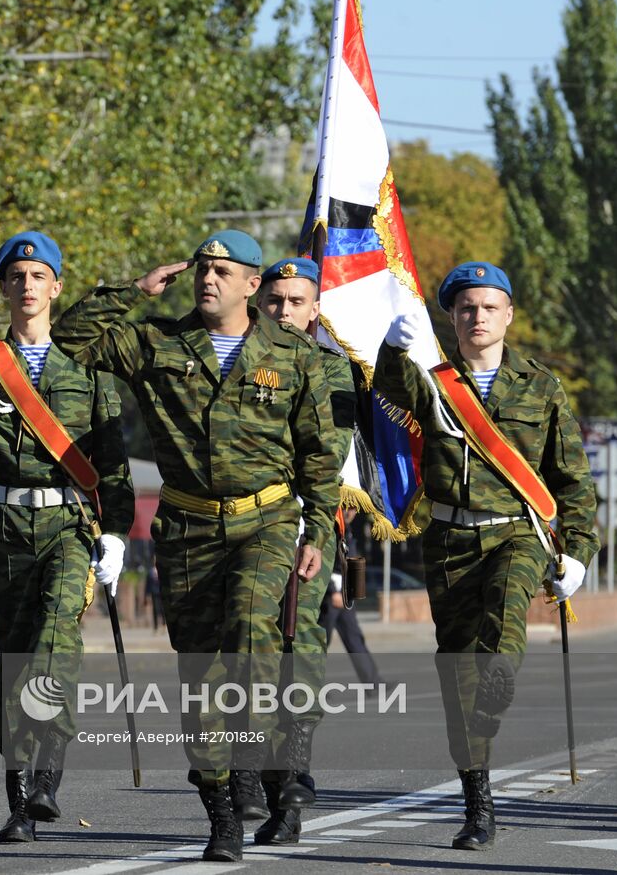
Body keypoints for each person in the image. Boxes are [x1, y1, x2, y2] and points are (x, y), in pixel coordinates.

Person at [50, 231, 340, 862]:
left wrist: (317, 530)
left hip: (265, 522)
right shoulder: (157, 341)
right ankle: (224, 809)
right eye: (203, 269)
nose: (207, 279)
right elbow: (70, 341)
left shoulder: (297, 357)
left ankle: (254, 765)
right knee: (201, 676)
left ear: (251, 285)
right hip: (187, 531)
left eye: (222, 270)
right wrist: (131, 291)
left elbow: (321, 456)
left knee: (252, 634)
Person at [375, 261, 598, 850]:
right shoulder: (433, 380)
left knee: (504, 619)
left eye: (489, 307)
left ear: (509, 315)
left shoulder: (541, 385)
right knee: (457, 674)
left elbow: (572, 479)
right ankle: (478, 804)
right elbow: (389, 397)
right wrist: (393, 351)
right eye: (466, 308)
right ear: (451, 316)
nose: (478, 317)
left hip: (516, 535)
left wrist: (577, 551)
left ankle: (497, 687)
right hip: (448, 541)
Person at [0, 231, 134, 843]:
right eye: (16, 277)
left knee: (53, 639)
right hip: (11, 526)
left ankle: (48, 777)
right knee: (15, 657)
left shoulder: (88, 370)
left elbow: (113, 462)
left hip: (69, 524)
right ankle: (19, 798)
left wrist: (116, 535)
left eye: (38, 276)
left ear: (56, 287)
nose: (27, 285)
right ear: (5, 289)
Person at [250, 257, 358, 845]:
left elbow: (328, 451)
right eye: (274, 300)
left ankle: (290, 786)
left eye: (296, 301)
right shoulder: (233, 358)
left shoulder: (333, 371)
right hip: (236, 530)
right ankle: (257, 782)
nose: (284, 311)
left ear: (316, 309)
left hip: (300, 525)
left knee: (298, 653)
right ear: (257, 301)